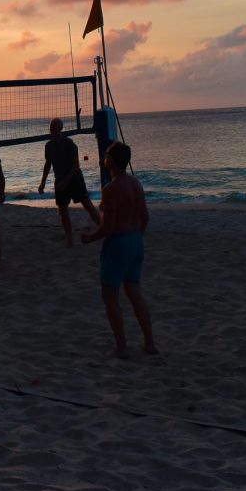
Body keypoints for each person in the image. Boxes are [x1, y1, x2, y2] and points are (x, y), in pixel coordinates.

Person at [82, 142, 155, 358]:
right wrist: (136, 237)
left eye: (105, 156)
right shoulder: (136, 184)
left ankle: (122, 347)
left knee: (110, 296)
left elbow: (108, 227)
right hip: (136, 241)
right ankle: (149, 343)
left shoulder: (111, 189)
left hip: (119, 243)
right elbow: (145, 217)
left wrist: (89, 238)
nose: (103, 159)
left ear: (111, 161)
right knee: (135, 294)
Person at [37, 117, 101, 246]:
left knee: (87, 205)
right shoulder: (48, 145)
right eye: (51, 128)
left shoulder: (69, 144)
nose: (52, 131)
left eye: (55, 128)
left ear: (60, 129)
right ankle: (69, 238)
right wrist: (42, 182)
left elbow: (76, 166)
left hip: (75, 178)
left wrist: (65, 182)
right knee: (62, 209)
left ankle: (104, 229)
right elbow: (48, 164)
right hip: (60, 179)